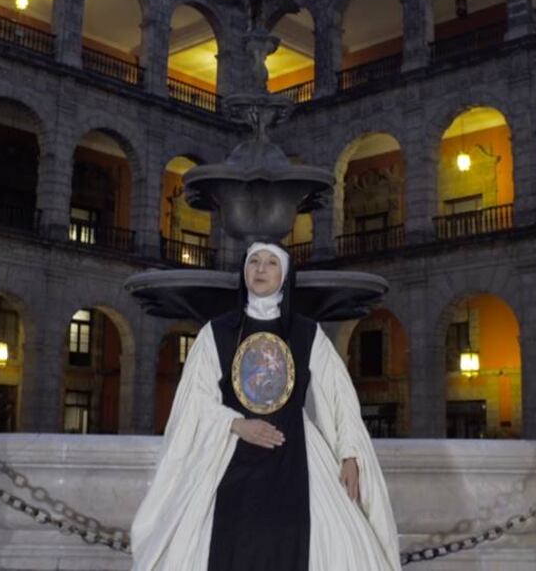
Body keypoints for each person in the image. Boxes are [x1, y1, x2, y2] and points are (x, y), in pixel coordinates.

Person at [131, 242, 400, 571]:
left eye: (271, 263)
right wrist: (235, 424)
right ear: (244, 272)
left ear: (284, 275)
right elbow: (195, 398)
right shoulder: (215, 333)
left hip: (297, 450)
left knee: (320, 533)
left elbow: (339, 396)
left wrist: (349, 453)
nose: (261, 269)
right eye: (254, 262)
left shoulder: (307, 333)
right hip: (229, 450)